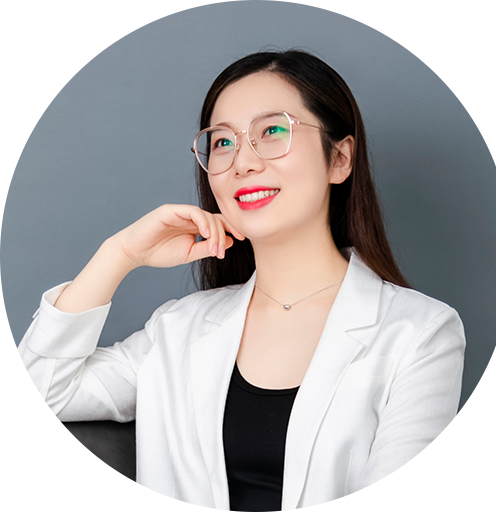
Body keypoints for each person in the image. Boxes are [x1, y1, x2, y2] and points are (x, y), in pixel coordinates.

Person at [0, 50, 465, 512]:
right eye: (223, 142)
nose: (242, 162)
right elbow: (35, 389)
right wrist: (120, 254)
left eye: (273, 131)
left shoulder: (420, 332)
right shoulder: (179, 329)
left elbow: (390, 505)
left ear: (339, 159)